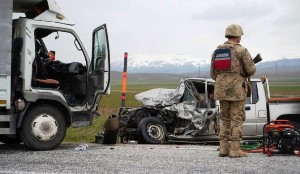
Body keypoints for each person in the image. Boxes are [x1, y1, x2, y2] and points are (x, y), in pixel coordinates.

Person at [210, 24, 256, 158]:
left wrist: (225, 80)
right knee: (237, 119)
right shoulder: (241, 51)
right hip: (237, 91)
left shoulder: (217, 52)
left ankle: (223, 149)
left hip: (221, 91)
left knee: (224, 119)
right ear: (238, 36)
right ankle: (235, 150)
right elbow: (251, 70)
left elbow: (213, 74)